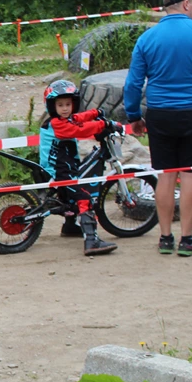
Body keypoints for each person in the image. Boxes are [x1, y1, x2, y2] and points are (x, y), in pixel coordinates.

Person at [124, 0, 192, 256]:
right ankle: (187, 239)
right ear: (187, 4)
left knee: (165, 175)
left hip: (160, 113)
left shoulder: (147, 38)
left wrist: (134, 116)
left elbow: (133, 83)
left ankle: (165, 237)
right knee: (190, 175)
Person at [39, 79, 119, 256]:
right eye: (60, 105)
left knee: (71, 198)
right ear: (52, 107)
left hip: (63, 169)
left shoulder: (64, 119)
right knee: (84, 197)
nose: (65, 108)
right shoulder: (58, 124)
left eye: (68, 104)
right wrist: (104, 124)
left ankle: (70, 226)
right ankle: (91, 241)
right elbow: (80, 130)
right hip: (60, 172)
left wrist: (95, 113)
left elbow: (78, 118)